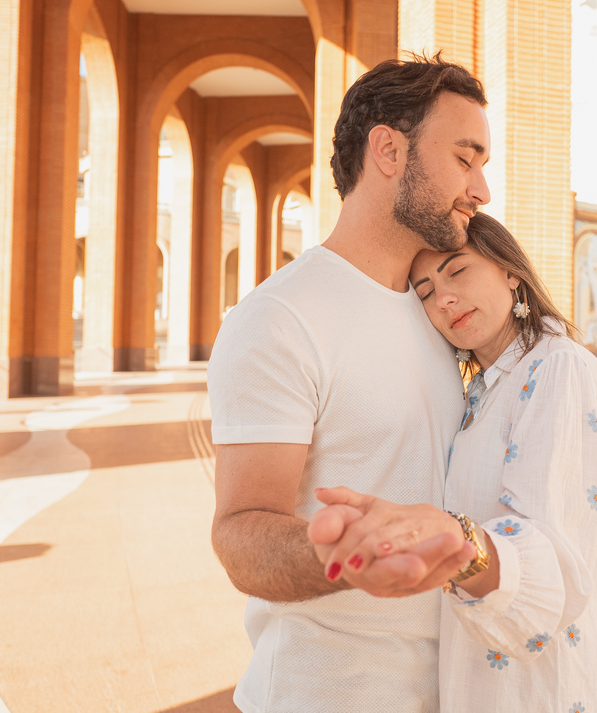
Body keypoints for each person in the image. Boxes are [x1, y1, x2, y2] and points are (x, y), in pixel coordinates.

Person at [208, 54, 491, 712]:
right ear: (388, 150)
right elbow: (240, 530)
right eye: (466, 157)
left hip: (453, 686)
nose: (481, 189)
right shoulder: (279, 319)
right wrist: (340, 553)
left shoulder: (441, 310)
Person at [311, 212, 597, 711]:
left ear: (510, 271)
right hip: (480, 674)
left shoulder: (559, 367)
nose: (444, 299)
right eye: (425, 291)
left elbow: (550, 548)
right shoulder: (479, 391)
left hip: (544, 687)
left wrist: (453, 539)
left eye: (457, 272)